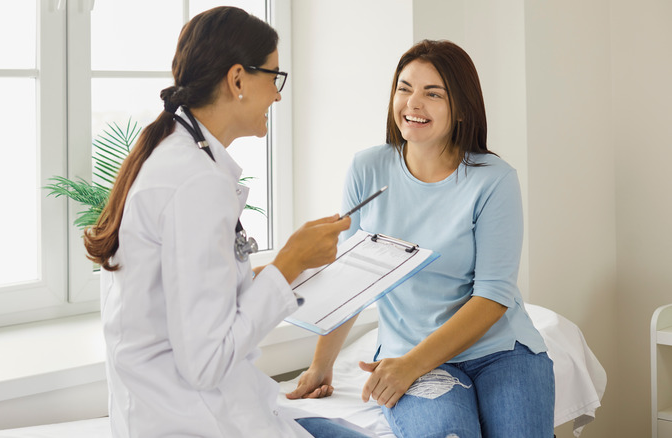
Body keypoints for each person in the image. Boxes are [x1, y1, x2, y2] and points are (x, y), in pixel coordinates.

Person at [82, 6, 374, 438]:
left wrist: (298, 269)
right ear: (238, 80)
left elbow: (200, 289)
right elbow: (206, 362)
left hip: (181, 411)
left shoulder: (177, 154)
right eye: (274, 76)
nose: (278, 95)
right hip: (195, 420)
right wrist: (288, 263)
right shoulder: (195, 183)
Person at [286, 39, 555, 437]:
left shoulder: (494, 179)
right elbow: (352, 278)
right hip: (409, 350)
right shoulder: (368, 168)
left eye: (433, 93)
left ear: (462, 107)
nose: (413, 103)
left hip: (500, 352)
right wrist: (320, 366)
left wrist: (410, 366)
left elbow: (493, 296)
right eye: (404, 88)